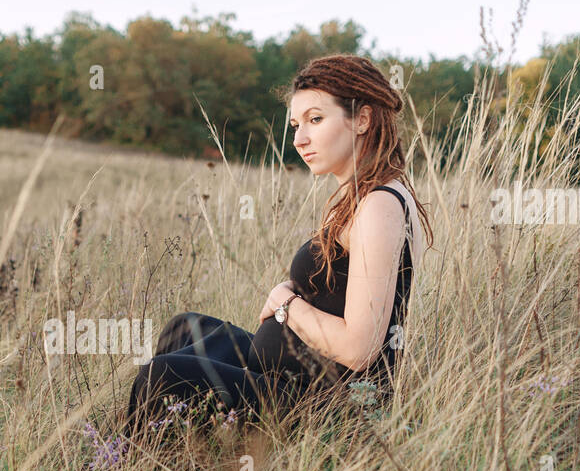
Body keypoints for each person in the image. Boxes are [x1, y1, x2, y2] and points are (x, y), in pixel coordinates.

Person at [123, 54, 435, 439]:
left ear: (362, 119)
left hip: (322, 401)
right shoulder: (356, 196)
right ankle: (172, 456)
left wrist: (286, 305)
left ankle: (121, 469)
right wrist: (289, 298)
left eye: (315, 120)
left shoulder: (379, 205)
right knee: (184, 328)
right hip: (284, 372)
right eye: (295, 125)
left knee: (164, 373)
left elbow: (359, 348)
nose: (299, 139)